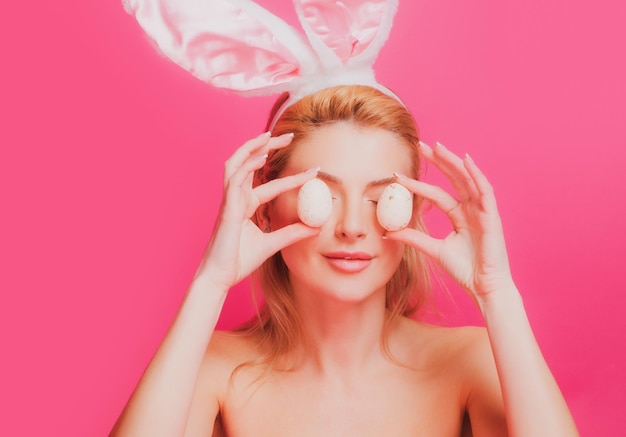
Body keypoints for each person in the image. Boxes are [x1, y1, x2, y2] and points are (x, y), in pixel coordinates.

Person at [116, 1, 579, 435]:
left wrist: (497, 292)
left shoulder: (469, 363)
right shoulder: (214, 371)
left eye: (383, 198)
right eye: (322, 194)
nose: (353, 226)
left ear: (414, 214)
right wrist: (210, 282)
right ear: (266, 208)